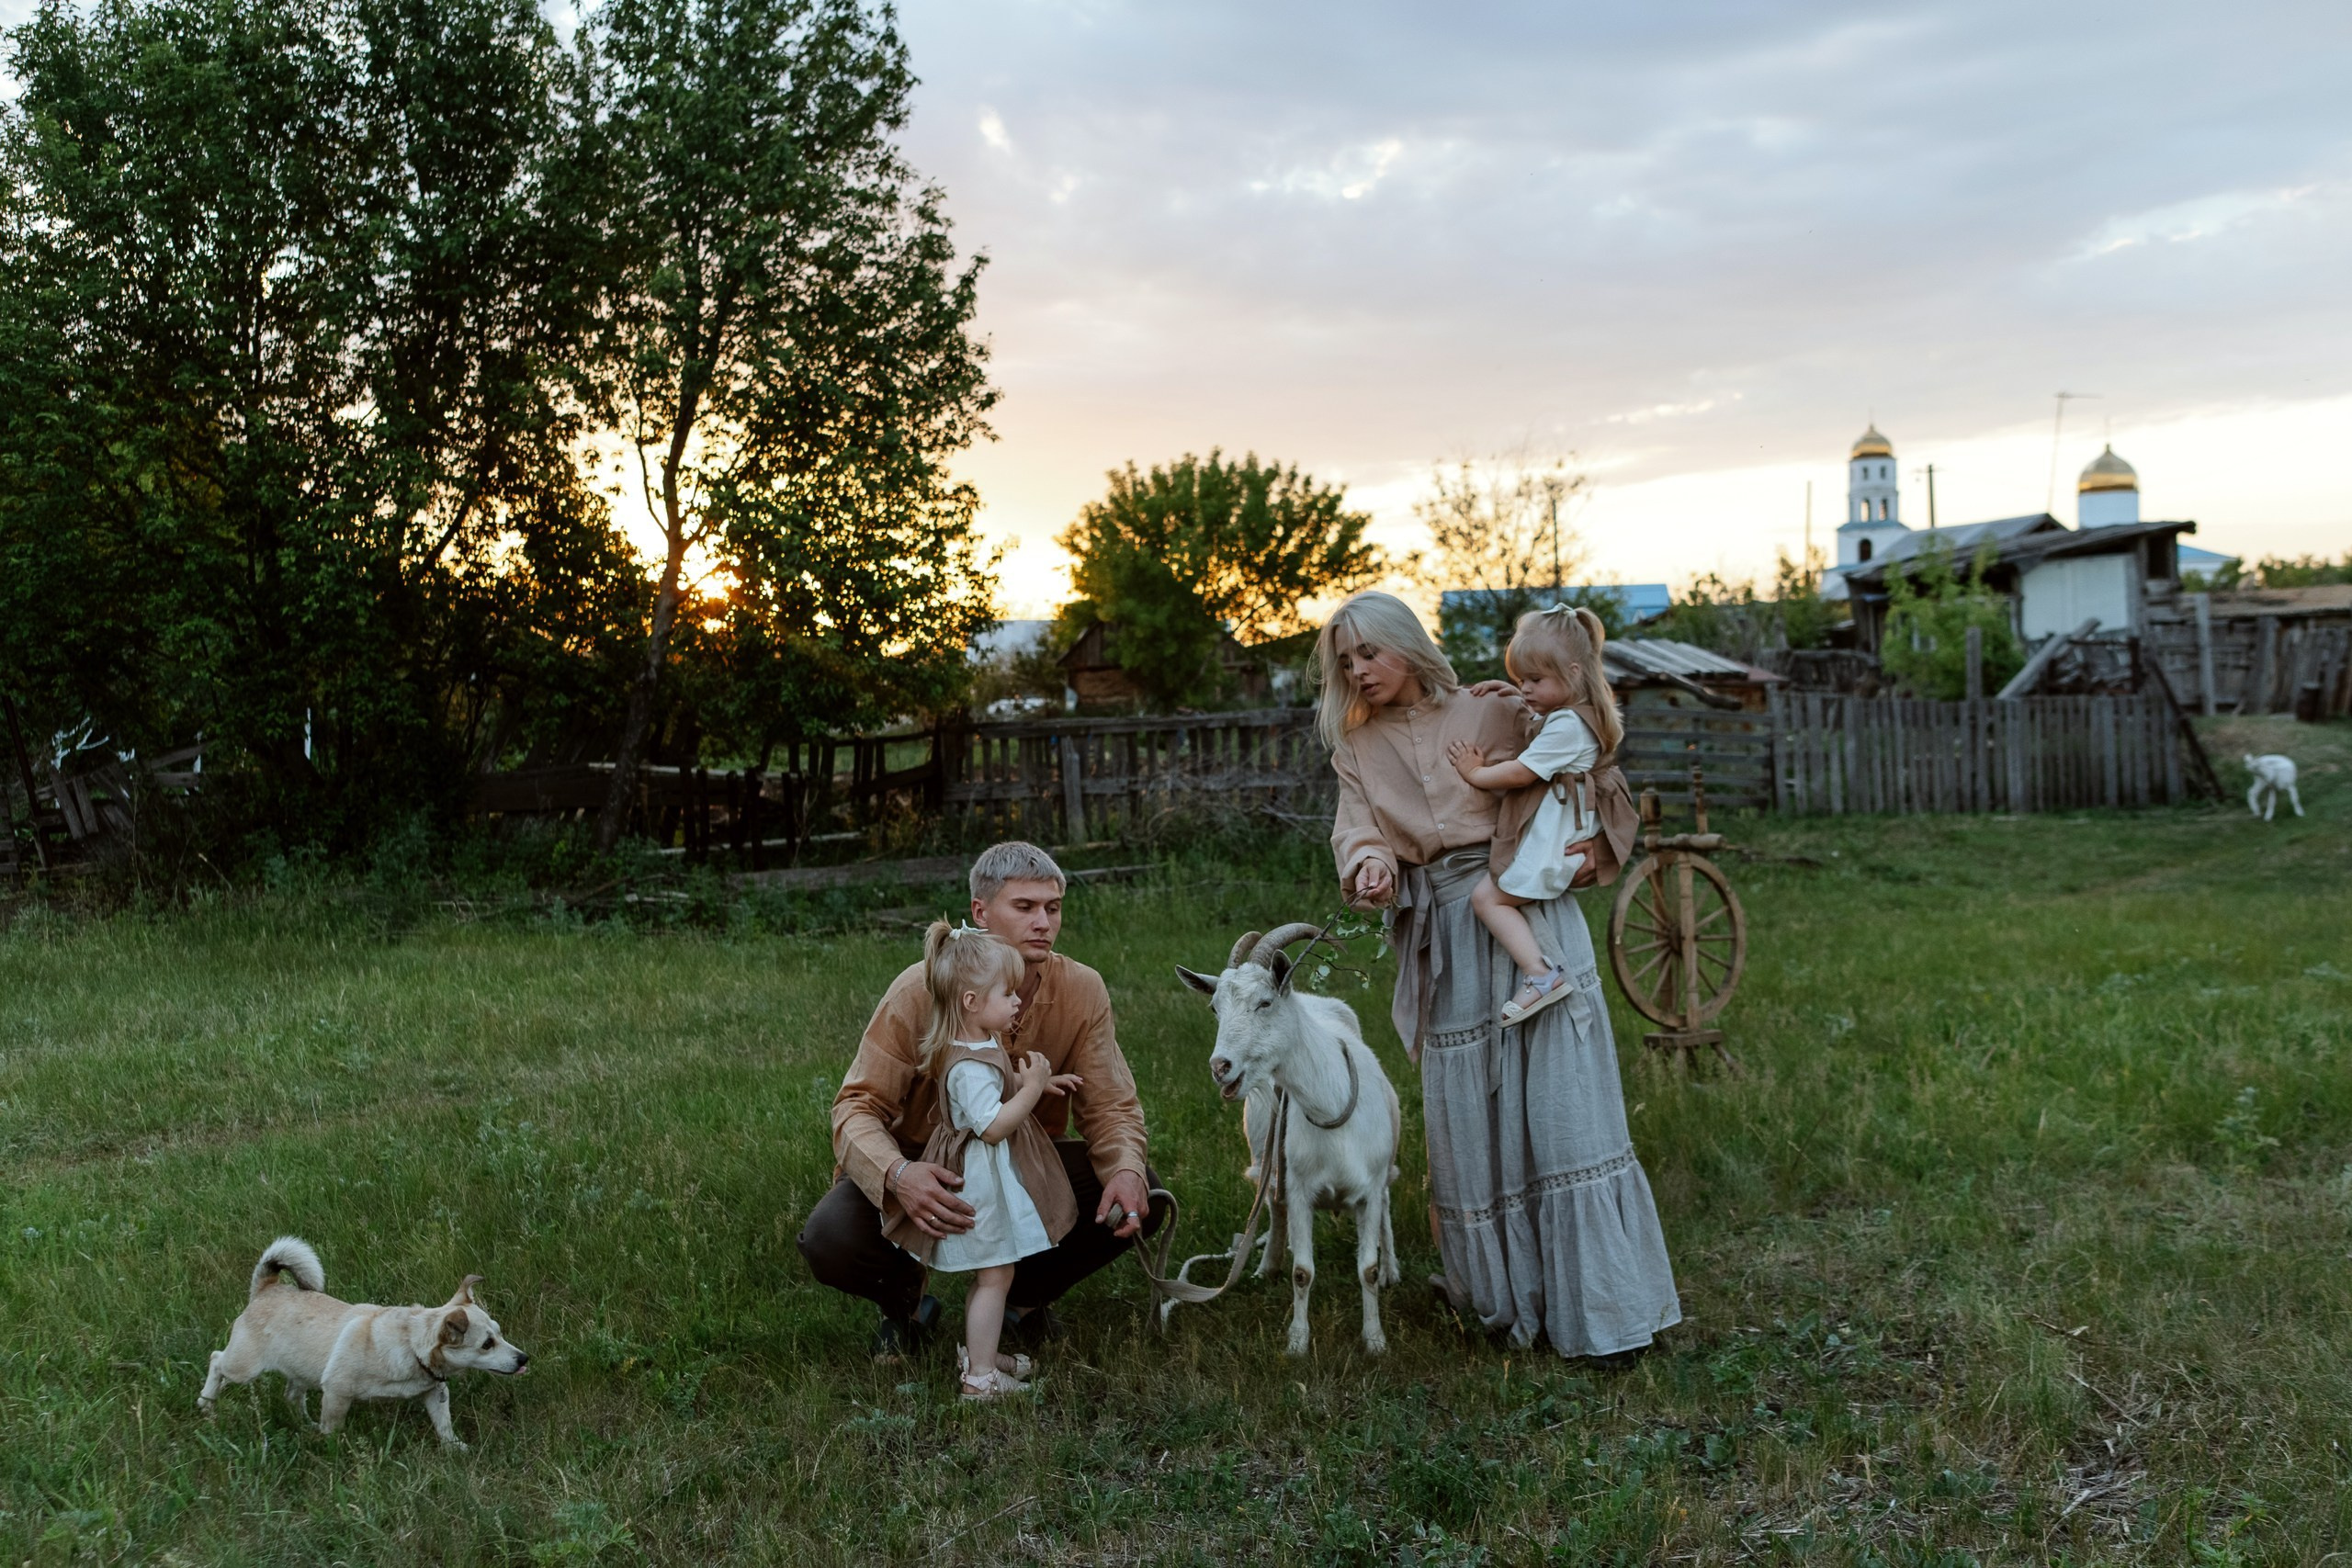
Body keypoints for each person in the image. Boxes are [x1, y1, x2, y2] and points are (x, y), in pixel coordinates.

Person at [1320, 590, 1678, 1359]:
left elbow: (1591, 762)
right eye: (1345, 660)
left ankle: (1604, 1312)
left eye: (1368, 653)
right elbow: (1358, 830)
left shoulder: (1492, 708)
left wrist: (1594, 845)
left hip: (1527, 913)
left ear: (1406, 645)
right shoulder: (1356, 746)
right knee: (1472, 1118)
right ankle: (1500, 1300)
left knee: (1560, 1105)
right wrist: (1372, 865)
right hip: (1448, 930)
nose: (1357, 670)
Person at [798, 841, 1168, 1360]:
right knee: (830, 1238)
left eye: (1053, 907)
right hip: (926, 1169)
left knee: (1139, 1190)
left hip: (1020, 1164)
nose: (1043, 921)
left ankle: (1019, 1299)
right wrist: (900, 1176)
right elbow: (856, 1107)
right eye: (1025, 907)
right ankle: (906, 1304)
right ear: (980, 911)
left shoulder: (1083, 989)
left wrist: (1125, 1167)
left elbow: (1110, 1107)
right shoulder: (919, 990)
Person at [879, 922, 1081, 1400]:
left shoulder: (977, 1042)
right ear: (971, 1002)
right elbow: (991, 1125)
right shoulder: (967, 1065)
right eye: (1007, 993)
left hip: (988, 1172)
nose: (1017, 1001)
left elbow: (997, 1082)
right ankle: (981, 1379)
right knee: (994, 1275)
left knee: (996, 1273)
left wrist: (1032, 1084)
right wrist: (1031, 1090)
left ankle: (981, 1352)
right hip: (981, 1181)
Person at [1444, 605, 1626, 1027]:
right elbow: (1537, 717)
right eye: (1519, 679)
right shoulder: (1574, 714)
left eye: (1534, 680)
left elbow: (1523, 770)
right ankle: (1540, 973)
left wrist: (1475, 772)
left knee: (1487, 898)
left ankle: (1540, 975)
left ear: (1574, 673)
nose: (1524, 688)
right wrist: (1512, 695)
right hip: (1566, 826)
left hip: (1557, 839)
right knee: (1493, 895)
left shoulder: (1567, 727)